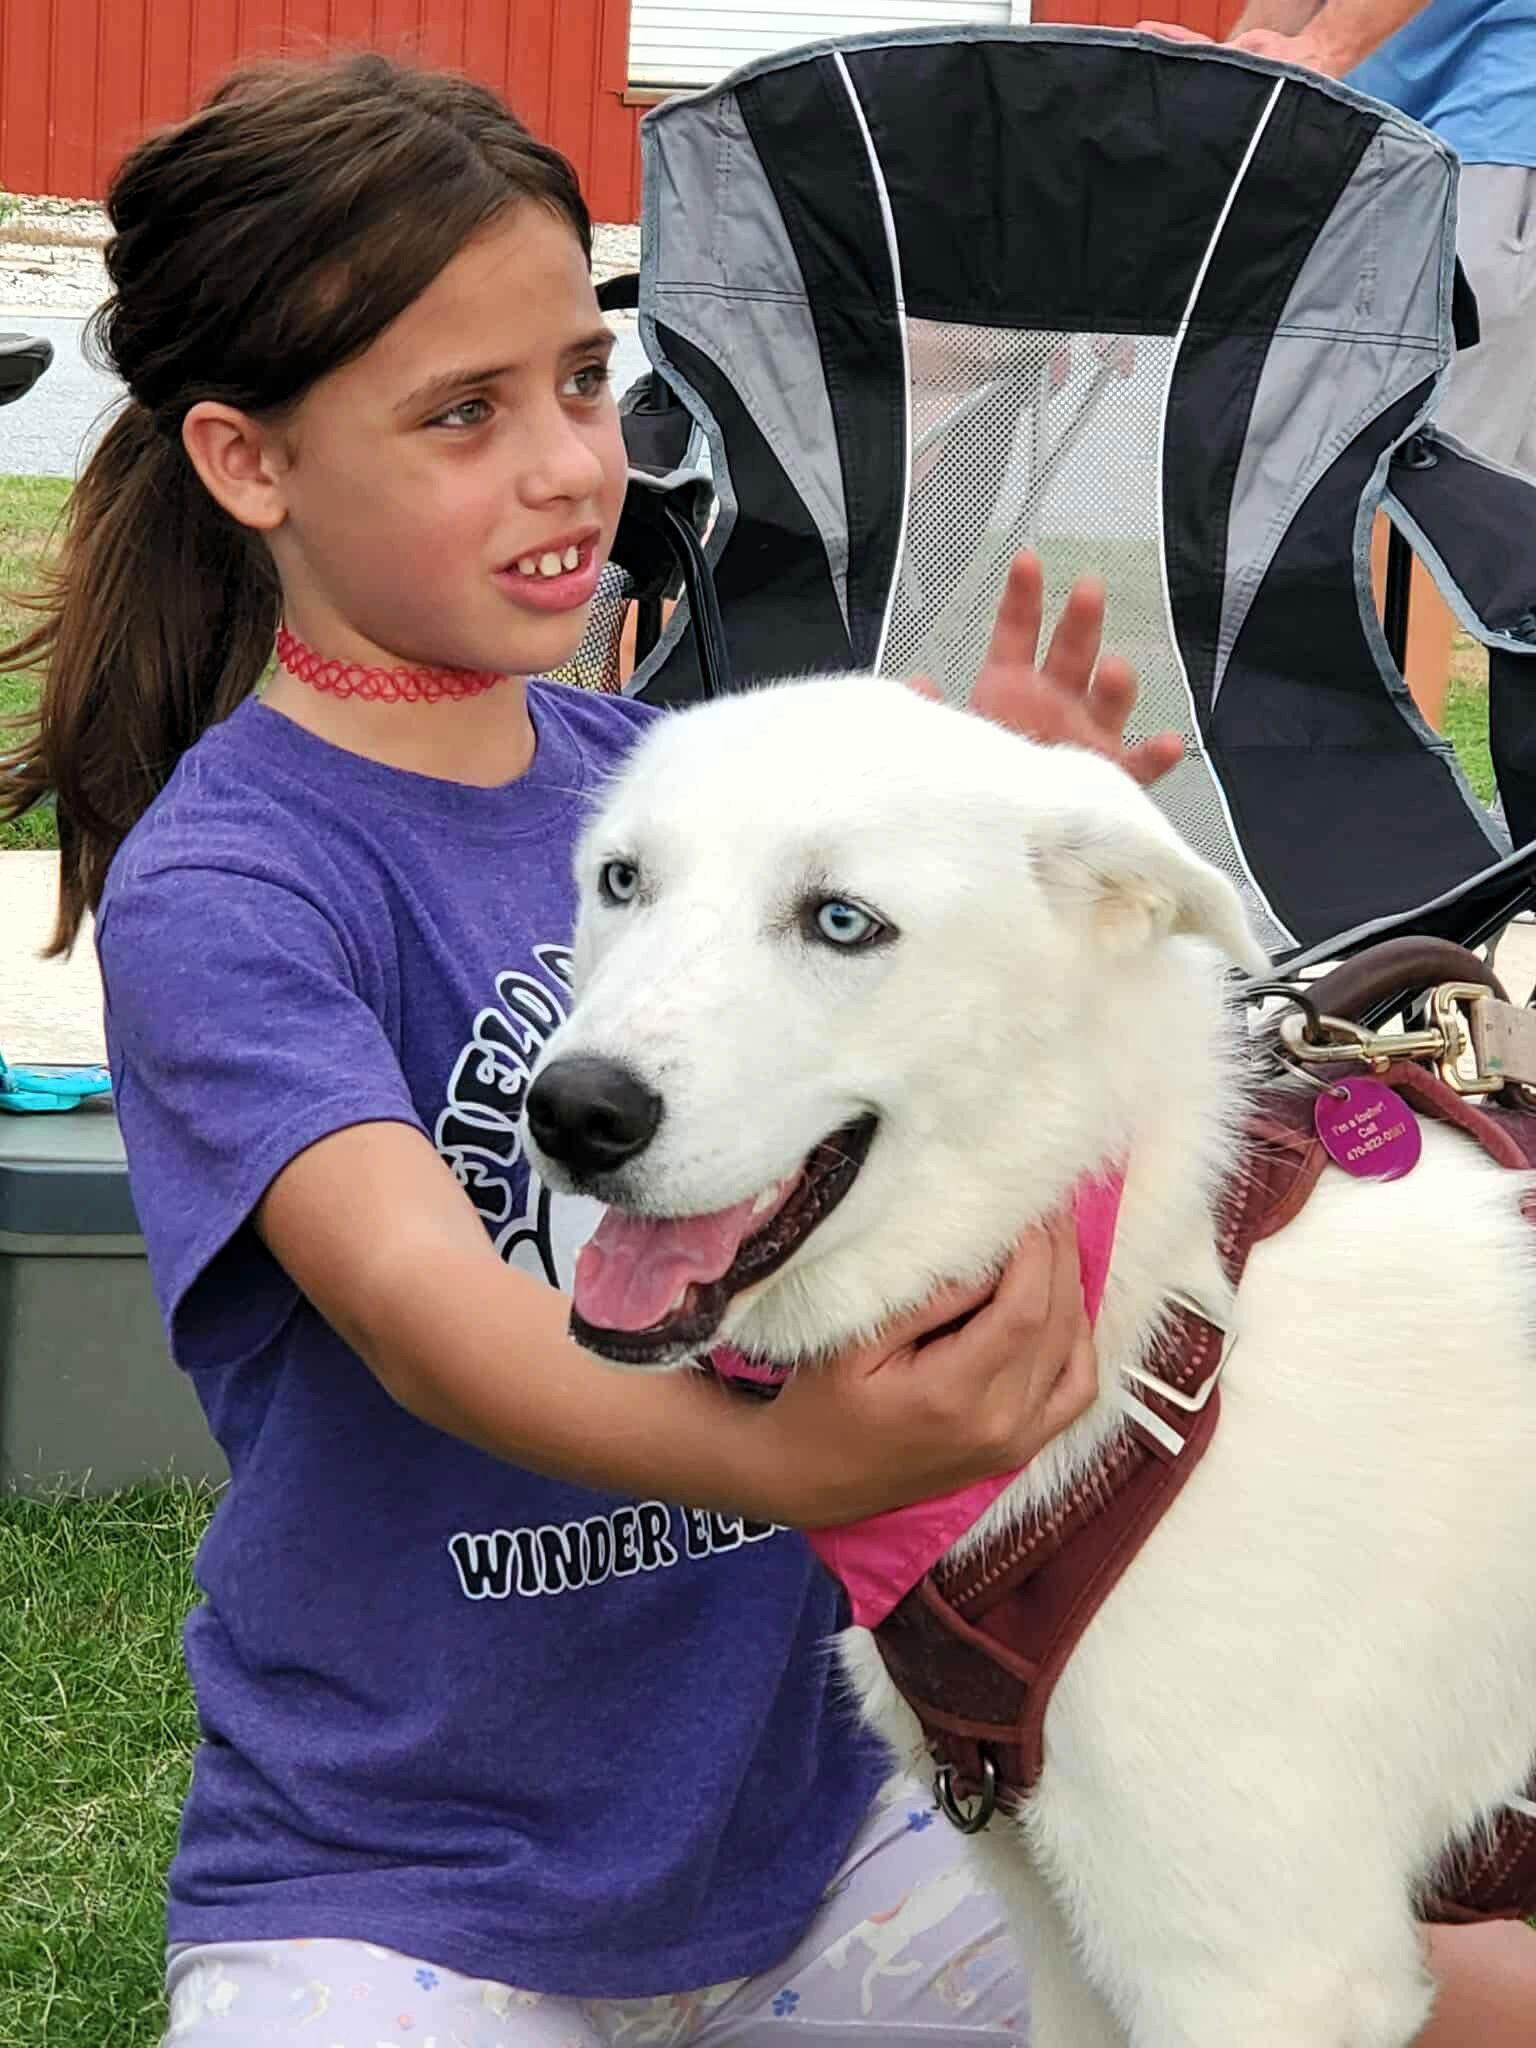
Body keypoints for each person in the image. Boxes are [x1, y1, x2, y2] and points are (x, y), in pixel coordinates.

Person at [0, 48, 1521, 2048]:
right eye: (461, 415)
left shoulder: (669, 778)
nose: (564, 465)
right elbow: (424, 1319)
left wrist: (967, 837)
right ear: (248, 461)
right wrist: (805, 1455)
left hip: (843, 1833)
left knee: (1445, 1987)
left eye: (574, 379)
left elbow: (1000, 1107)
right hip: (428, 1881)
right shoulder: (240, 879)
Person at [1222, 0, 1536, 729]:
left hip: (1491, 138)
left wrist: (1327, 49)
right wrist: (1221, 93)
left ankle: (1358, 801)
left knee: (1406, 511)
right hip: (1395, 141)